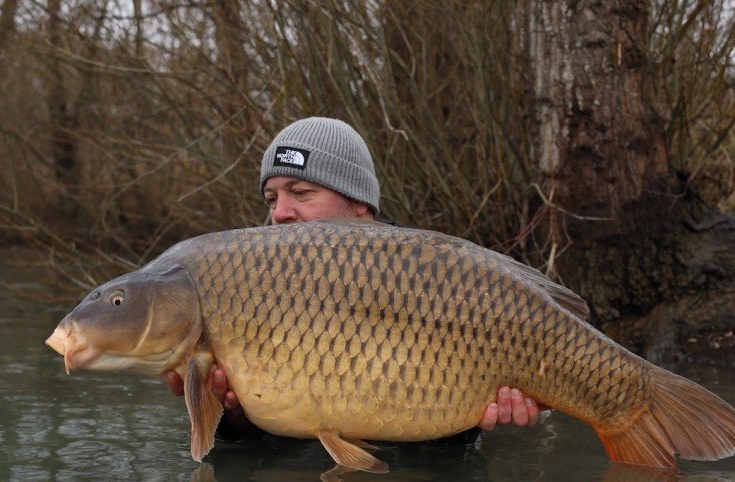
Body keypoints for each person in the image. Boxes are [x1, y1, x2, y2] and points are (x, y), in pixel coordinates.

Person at [166, 117, 539, 443]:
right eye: (270, 198)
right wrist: (229, 414)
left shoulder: (434, 277)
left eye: (300, 192)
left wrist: (476, 423)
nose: (279, 213)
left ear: (359, 202)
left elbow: (446, 443)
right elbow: (268, 442)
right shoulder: (258, 296)